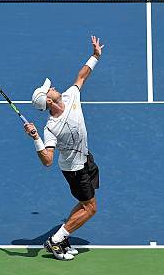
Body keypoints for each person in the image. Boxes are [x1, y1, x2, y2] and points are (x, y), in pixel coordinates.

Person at [24, 35, 104, 261]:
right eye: (49, 90)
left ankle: (63, 236)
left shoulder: (70, 95)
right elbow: (48, 160)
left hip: (86, 158)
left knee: (84, 203)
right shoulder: (50, 128)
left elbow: (81, 76)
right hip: (74, 170)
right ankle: (55, 241)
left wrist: (95, 56)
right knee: (91, 209)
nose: (53, 87)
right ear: (48, 101)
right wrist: (36, 138)